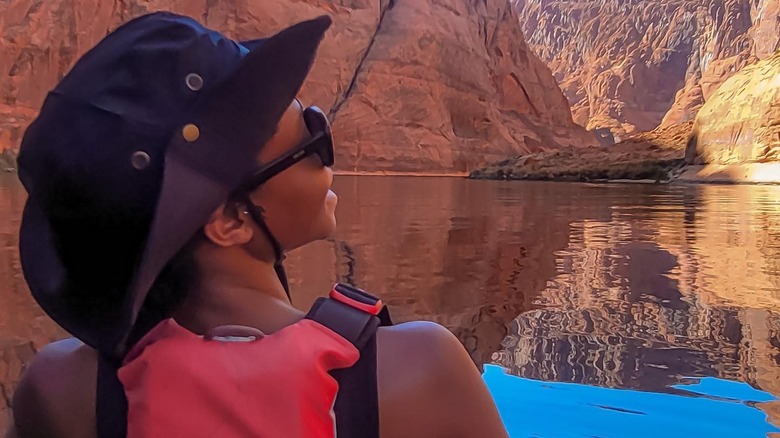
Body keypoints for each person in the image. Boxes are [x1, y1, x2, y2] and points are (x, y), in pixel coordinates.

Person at [6, 11, 508, 438]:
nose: (326, 154)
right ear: (229, 219)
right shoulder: (419, 368)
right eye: (312, 139)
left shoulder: (58, 390)